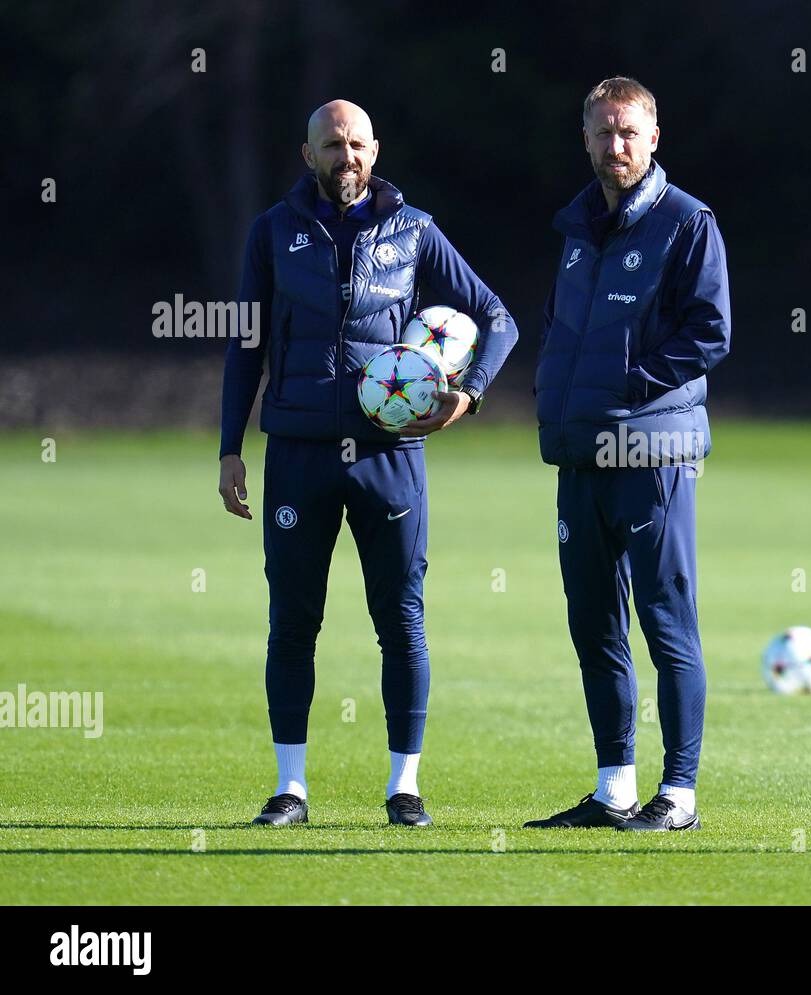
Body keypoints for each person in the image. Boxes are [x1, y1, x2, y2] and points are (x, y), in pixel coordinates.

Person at [218, 99, 518, 827]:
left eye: (355, 145)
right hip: (296, 451)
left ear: (375, 152)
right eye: (331, 145)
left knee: (402, 620)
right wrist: (230, 447)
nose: (344, 156)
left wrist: (467, 395)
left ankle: (403, 787)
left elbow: (497, 318)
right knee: (292, 622)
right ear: (307, 152)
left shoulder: (414, 230)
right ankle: (291, 789)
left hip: (390, 454)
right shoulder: (274, 231)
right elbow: (245, 345)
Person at [527, 77, 730, 831]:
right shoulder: (578, 228)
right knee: (594, 625)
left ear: (653, 138)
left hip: (653, 454)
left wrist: (628, 384)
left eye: (629, 133)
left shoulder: (687, 223)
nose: (616, 146)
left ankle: (678, 795)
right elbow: (560, 330)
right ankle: (615, 788)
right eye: (604, 132)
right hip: (580, 455)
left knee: (666, 620)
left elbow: (710, 332)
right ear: (585, 138)